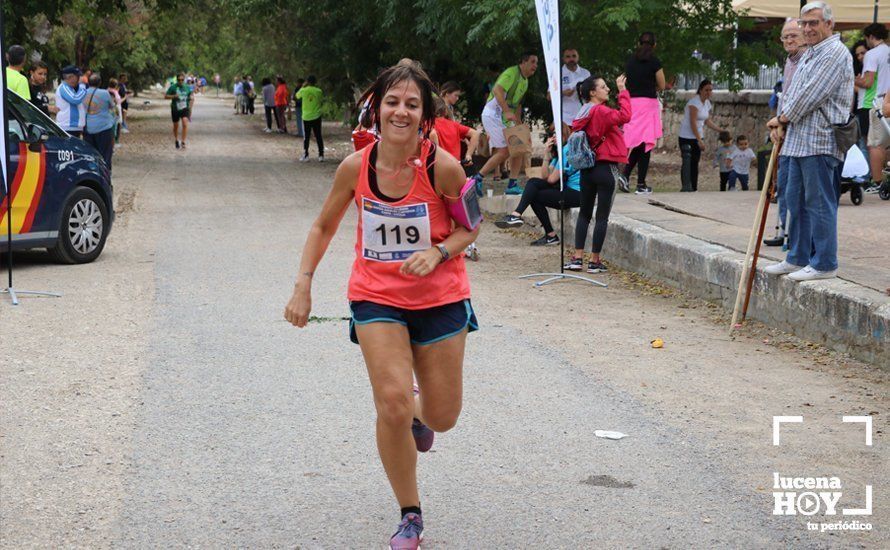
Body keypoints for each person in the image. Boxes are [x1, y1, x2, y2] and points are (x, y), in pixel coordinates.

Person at [283, 62, 478, 550]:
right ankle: (410, 513)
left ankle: (419, 414)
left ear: (425, 114)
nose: (401, 111)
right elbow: (322, 227)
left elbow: (470, 226)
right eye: (393, 101)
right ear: (377, 107)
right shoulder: (357, 167)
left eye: (412, 104)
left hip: (440, 298)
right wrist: (303, 285)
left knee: (443, 416)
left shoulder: (443, 167)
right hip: (377, 297)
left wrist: (437, 252)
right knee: (389, 401)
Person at [765, 1, 853, 281]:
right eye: (804, 23)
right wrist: (779, 119)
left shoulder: (835, 53)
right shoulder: (810, 54)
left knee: (819, 202)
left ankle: (825, 263)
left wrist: (782, 118)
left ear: (829, 24)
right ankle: (797, 257)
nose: (807, 28)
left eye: (813, 23)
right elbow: (791, 92)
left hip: (820, 140)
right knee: (794, 200)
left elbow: (811, 95)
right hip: (797, 139)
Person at [564, 74, 631, 273]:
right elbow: (625, 116)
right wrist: (623, 91)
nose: (607, 89)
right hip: (605, 168)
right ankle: (594, 261)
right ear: (593, 92)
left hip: (587, 169)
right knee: (602, 217)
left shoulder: (582, 113)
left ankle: (577, 258)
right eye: (603, 87)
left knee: (584, 214)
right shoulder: (601, 111)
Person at [495, 134, 582, 246]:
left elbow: (551, 180)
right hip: (568, 190)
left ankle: (517, 215)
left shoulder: (567, 149)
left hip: (577, 194)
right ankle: (548, 234)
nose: (553, 137)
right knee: (533, 185)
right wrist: (546, 154)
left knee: (533, 192)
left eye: (556, 134)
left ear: (564, 134)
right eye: (553, 134)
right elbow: (545, 176)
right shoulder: (559, 153)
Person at [765, 18, 808, 247]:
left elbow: (800, 99)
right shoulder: (789, 61)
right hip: (784, 131)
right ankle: (782, 230)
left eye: (794, 35)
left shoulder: (806, 61)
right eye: (786, 36)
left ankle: (794, 237)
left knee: (794, 189)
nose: (790, 39)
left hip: (800, 135)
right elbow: (785, 97)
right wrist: (777, 126)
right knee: (782, 185)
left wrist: (782, 122)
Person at [472, 53, 538, 195]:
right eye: (532, 62)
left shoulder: (525, 81)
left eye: (536, 63)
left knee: (519, 146)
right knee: (505, 151)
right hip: (493, 115)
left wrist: (521, 128)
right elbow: (497, 90)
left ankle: (512, 184)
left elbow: (517, 105)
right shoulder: (511, 73)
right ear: (523, 62)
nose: (535, 66)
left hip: (504, 118)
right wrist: (507, 111)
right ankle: (476, 179)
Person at [623, 32, 665, 195]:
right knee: (646, 144)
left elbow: (627, 81)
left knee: (640, 144)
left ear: (638, 43)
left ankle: (627, 176)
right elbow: (661, 84)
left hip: (633, 104)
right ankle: (640, 183)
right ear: (654, 45)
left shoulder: (630, 61)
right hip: (648, 105)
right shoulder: (654, 61)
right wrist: (652, 86)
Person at [856, 23, 890, 192]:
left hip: (874, 103)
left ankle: (878, 183)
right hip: (888, 100)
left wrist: (852, 79)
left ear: (870, 37)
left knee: (875, 144)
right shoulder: (889, 51)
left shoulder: (872, 54)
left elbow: (868, 82)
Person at [678, 79, 723, 192]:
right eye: (706, 90)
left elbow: (706, 121)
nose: (708, 92)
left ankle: (694, 187)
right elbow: (693, 122)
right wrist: (699, 140)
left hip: (698, 135)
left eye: (710, 90)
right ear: (701, 90)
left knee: (695, 162)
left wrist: (720, 130)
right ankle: (686, 186)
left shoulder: (707, 103)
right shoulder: (694, 103)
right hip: (687, 136)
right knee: (687, 161)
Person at [83, 73, 117, 171]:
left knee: (92, 152)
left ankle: (93, 171)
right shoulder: (105, 93)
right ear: (100, 83)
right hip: (104, 127)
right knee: (105, 153)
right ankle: (105, 172)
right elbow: (112, 106)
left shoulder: (83, 93)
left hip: (88, 128)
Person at [430, 97, 479, 164]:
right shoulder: (454, 125)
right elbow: (475, 134)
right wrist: (468, 155)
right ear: (445, 110)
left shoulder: (428, 124)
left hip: (440, 165)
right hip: (456, 165)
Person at [560, 48, 591, 134]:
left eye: (574, 56)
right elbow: (549, 96)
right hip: (565, 119)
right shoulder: (558, 73)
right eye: (568, 56)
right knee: (567, 146)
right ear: (563, 58)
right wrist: (563, 93)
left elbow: (592, 95)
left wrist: (584, 91)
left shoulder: (586, 73)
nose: (571, 59)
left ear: (578, 57)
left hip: (583, 117)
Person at [297, 75, 324, 162]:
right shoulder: (319, 91)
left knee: (307, 137)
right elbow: (321, 101)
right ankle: (321, 155)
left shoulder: (304, 90)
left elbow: (297, 96)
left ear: (307, 82)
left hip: (306, 117)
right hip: (317, 116)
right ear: (315, 82)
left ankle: (306, 154)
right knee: (318, 135)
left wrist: (302, 86)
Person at [55, 65, 87, 138]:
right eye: (78, 76)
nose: (80, 79)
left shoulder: (72, 88)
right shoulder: (64, 87)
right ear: (70, 77)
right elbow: (75, 99)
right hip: (67, 127)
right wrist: (82, 85)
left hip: (73, 127)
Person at [165, 73, 194, 149]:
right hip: (175, 109)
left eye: (182, 80)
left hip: (185, 108)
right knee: (176, 126)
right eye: (179, 80)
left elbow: (191, 96)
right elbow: (166, 96)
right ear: (177, 80)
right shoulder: (173, 87)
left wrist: (190, 107)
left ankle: (183, 141)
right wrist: (174, 96)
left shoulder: (187, 87)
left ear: (184, 80)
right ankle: (176, 139)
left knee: (185, 123)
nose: (180, 81)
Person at [851, 40, 870, 151]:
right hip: (856, 110)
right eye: (857, 54)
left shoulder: (871, 69)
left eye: (863, 53)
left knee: (865, 143)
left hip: (866, 109)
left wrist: (852, 84)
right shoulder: (857, 68)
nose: (860, 57)